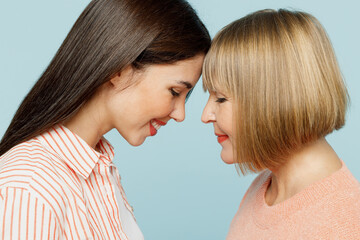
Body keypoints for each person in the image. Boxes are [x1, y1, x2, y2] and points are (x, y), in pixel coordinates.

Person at [0, 0, 210, 239]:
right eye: (174, 92)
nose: (180, 114)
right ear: (119, 71)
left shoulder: (100, 173)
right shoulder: (30, 187)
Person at [201, 9, 360, 239]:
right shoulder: (262, 188)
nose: (206, 115)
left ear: (273, 99)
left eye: (221, 98)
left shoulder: (343, 224)